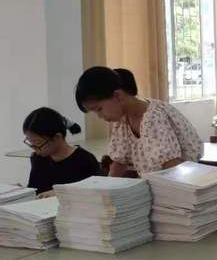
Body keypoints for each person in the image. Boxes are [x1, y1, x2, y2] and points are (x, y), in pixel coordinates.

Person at [75, 66, 203, 176]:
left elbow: (172, 166)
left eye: (99, 109)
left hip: (182, 180)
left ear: (118, 96)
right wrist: (107, 190)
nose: (99, 116)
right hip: (157, 181)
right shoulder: (121, 121)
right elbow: (119, 162)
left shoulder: (153, 117)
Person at [22, 107, 100, 196]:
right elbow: (35, 190)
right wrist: (22, 192)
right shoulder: (38, 158)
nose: (34, 148)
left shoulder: (84, 160)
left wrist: (60, 193)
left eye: (37, 143)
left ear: (57, 137)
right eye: (30, 142)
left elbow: (94, 193)